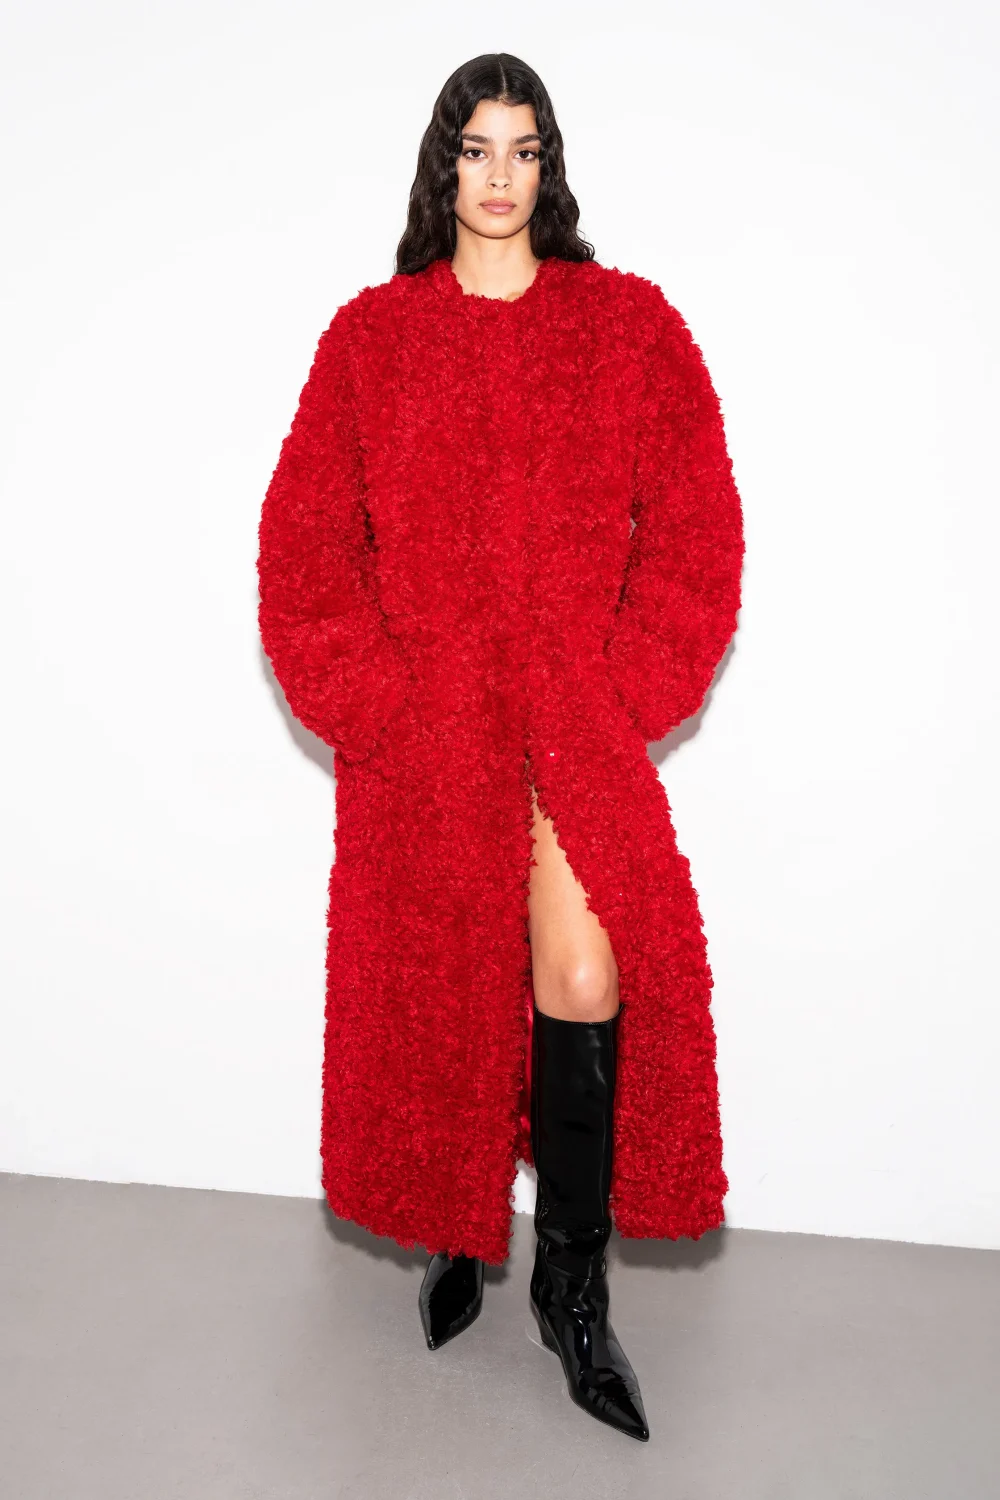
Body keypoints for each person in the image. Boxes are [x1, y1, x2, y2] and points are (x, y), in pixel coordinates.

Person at [257, 53, 744, 1444]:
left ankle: (571, 1294)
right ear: (443, 166)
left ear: (550, 167)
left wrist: (629, 681)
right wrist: (381, 705)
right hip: (432, 737)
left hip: (570, 720)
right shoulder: (373, 340)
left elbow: (698, 524)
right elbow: (304, 553)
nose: (499, 175)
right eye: (476, 149)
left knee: (583, 972)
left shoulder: (625, 326)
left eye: (523, 150)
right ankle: (457, 1227)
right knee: (445, 991)